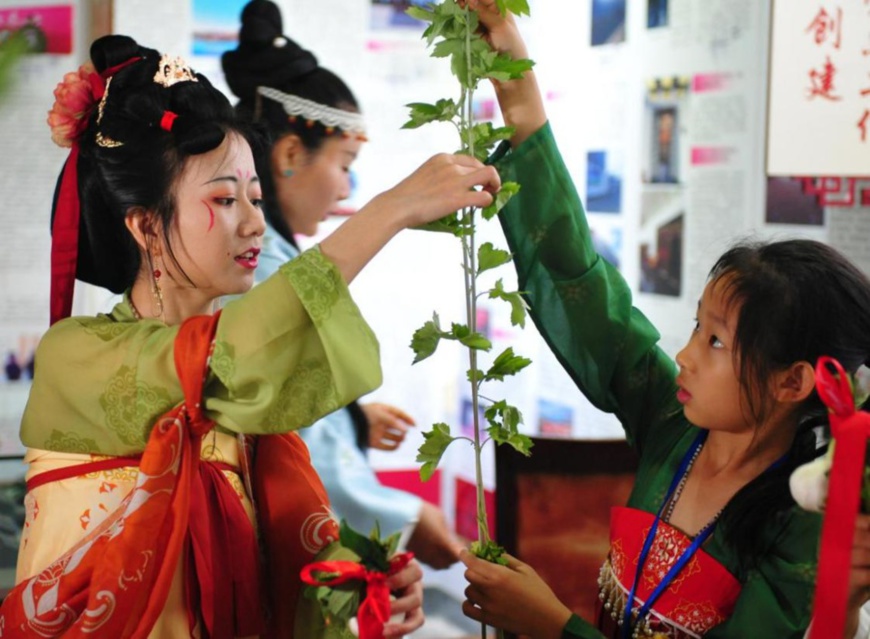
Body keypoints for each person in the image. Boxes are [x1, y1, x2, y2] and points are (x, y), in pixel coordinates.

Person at [4, 33, 499, 638]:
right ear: (144, 225)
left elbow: (287, 571)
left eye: (256, 197)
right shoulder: (75, 355)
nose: (255, 222)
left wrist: (363, 597)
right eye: (224, 198)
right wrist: (390, 209)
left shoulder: (250, 403)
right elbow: (218, 361)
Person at [457, 3, 870, 638]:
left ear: (793, 381)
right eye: (696, 330)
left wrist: (550, 626)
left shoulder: (801, 525)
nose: (683, 356)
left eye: (715, 341)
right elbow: (584, 287)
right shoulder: (675, 424)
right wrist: (514, 76)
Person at [221, 0, 461, 571]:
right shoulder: (257, 271)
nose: (347, 184)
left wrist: (351, 416)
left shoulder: (263, 258)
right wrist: (399, 516)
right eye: (345, 161)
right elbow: (283, 438)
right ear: (289, 154)